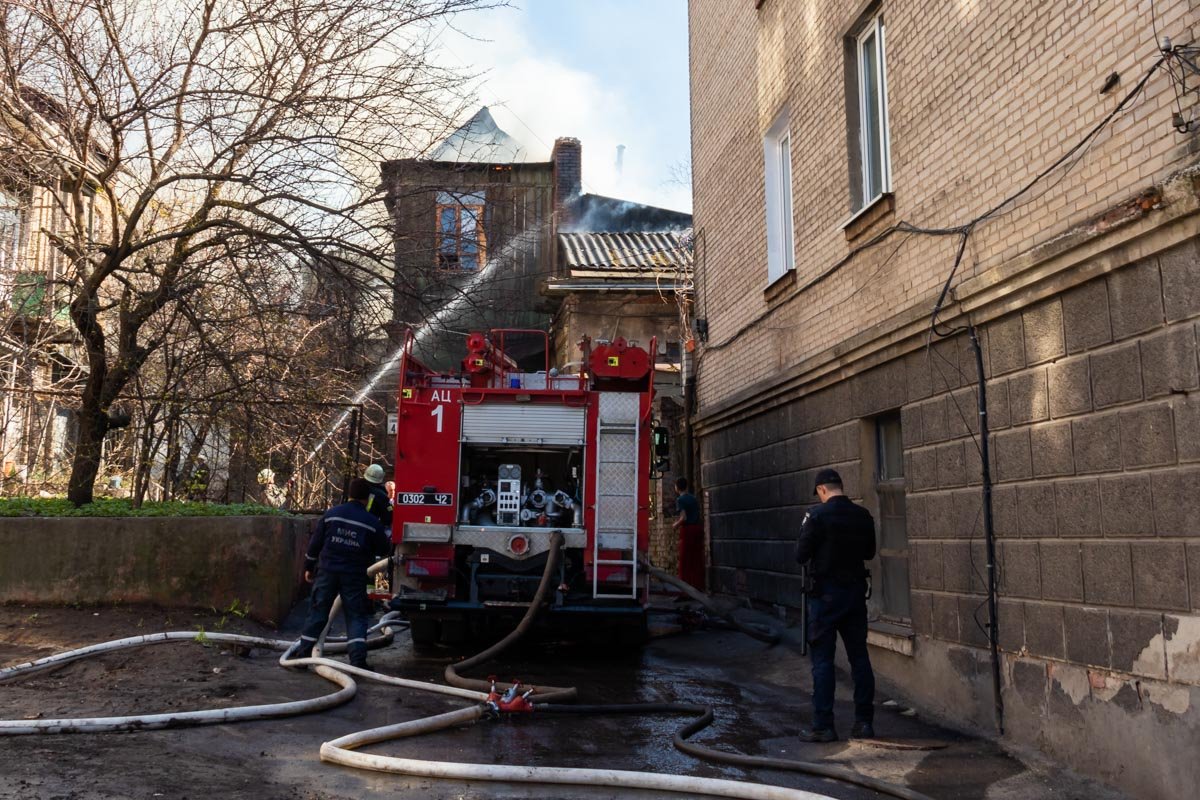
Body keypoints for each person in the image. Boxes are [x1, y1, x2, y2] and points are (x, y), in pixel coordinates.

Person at [794, 468, 877, 742]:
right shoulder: (862, 515)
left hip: (825, 597)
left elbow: (800, 555)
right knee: (860, 658)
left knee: (822, 662)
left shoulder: (816, 516)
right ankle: (864, 723)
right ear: (840, 486)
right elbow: (869, 552)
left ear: (821, 490)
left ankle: (824, 726)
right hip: (854, 594)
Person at [295, 478, 390, 669]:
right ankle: (357, 662)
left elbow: (315, 544)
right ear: (367, 498)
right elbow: (384, 547)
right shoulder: (371, 522)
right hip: (354, 575)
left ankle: (301, 656)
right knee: (356, 616)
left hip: (327, 571)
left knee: (318, 612)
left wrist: (308, 566)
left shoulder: (332, 514)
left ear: (349, 494)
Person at [672, 477, 705, 590]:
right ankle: (698, 587)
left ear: (677, 487)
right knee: (696, 560)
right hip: (698, 529)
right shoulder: (694, 498)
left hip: (688, 531)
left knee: (685, 562)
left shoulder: (680, 500)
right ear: (686, 486)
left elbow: (683, 518)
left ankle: (685, 590)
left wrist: (675, 525)